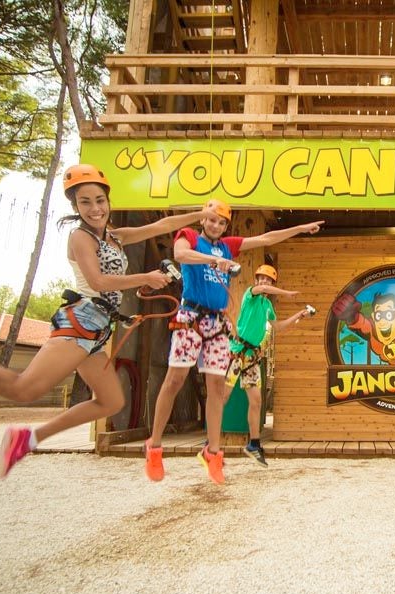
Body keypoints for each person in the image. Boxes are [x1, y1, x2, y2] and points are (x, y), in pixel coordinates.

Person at [0, 163, 216, 479]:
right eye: (85, 202)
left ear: (109, 201)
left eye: (99, 200)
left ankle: (29, 438)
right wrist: (145, 278)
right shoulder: (80, 237)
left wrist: (198, 213)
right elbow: (97, 282)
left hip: (99, 328)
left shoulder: (115, 237)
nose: (94, 208)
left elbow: (162, 224)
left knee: (110, 402)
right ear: (75, 206)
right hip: (81, 321)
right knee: (22, 388)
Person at [137, 199, 322, 484]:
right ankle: (155, 446)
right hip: (191, 316)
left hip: (218, 323)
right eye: (211, 219)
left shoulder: (228, 247)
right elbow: (181, 255)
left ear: (226, 226)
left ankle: (213, 453)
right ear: (203, 220)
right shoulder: (189, 237)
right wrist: (213, 260)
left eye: (221, 222)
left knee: (215, 387)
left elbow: (266, 237)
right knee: (175, 380)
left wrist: (300, 227)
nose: (215, 225)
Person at [225, 264, 314, 467]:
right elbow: (262, 291)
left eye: (268, 280)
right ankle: (210, 441)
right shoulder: (251, 294)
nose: (264, 283)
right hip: (236, 353)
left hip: (252, 357)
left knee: (256, 401)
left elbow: (278, 327)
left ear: (272, 283)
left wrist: (298, 315)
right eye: (261, 279)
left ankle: (253, 445)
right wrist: (287, 293)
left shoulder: (267, 307)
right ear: (257, 282)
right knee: (223, 396)